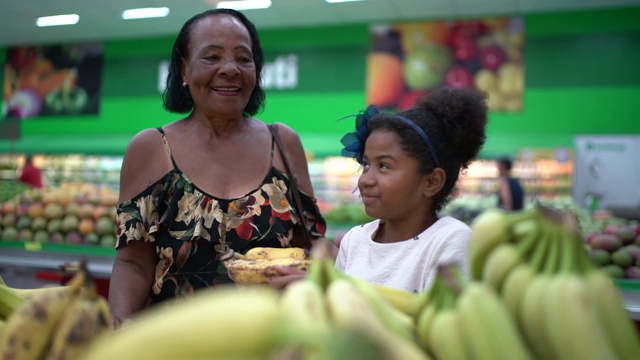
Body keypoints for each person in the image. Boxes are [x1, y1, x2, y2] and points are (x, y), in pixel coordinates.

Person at [108, 8, 328, 327]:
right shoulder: (150, 149)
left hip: (273, 339)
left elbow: (313, 244)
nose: (230, 69)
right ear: (183, 70)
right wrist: (122, 322)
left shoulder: (283, 143)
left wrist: (317, 270)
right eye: (211, 57)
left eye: (243, 58)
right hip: (174, 341)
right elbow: (133, 263)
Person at [334, 87, 488, 292]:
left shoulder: (450, 241)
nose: (365, 180)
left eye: (384, 166)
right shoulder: (354, 241)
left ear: (431, 182)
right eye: (366, 165)